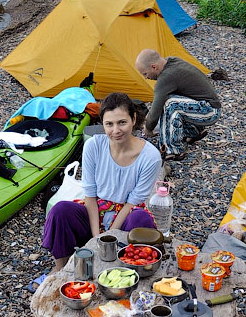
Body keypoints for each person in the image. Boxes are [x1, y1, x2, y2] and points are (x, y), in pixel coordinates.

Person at [43, 92, 162, 271]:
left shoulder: (151, 156)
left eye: (122, 122)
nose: (116, 130)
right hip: (96, 210)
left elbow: (133, 201)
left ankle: (129, 266)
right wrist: (96, 238)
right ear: (102, 124)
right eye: (109, 124)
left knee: (141, 218)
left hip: (127, 214)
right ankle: (61, 268)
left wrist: (109, 237)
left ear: (133, 119)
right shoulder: (93, 146)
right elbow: (90, 195)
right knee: (60, 210)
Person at [135, 49, 221, 162]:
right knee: (172, 102)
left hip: (209, 111)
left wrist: (148, 128)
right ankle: (194, 131)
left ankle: (172, 150)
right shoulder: (171, 61)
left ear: (154, 67)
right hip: (205, 105)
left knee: (169, 103)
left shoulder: (166, 78)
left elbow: (155, 110)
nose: (145, 77)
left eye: (145, 74)